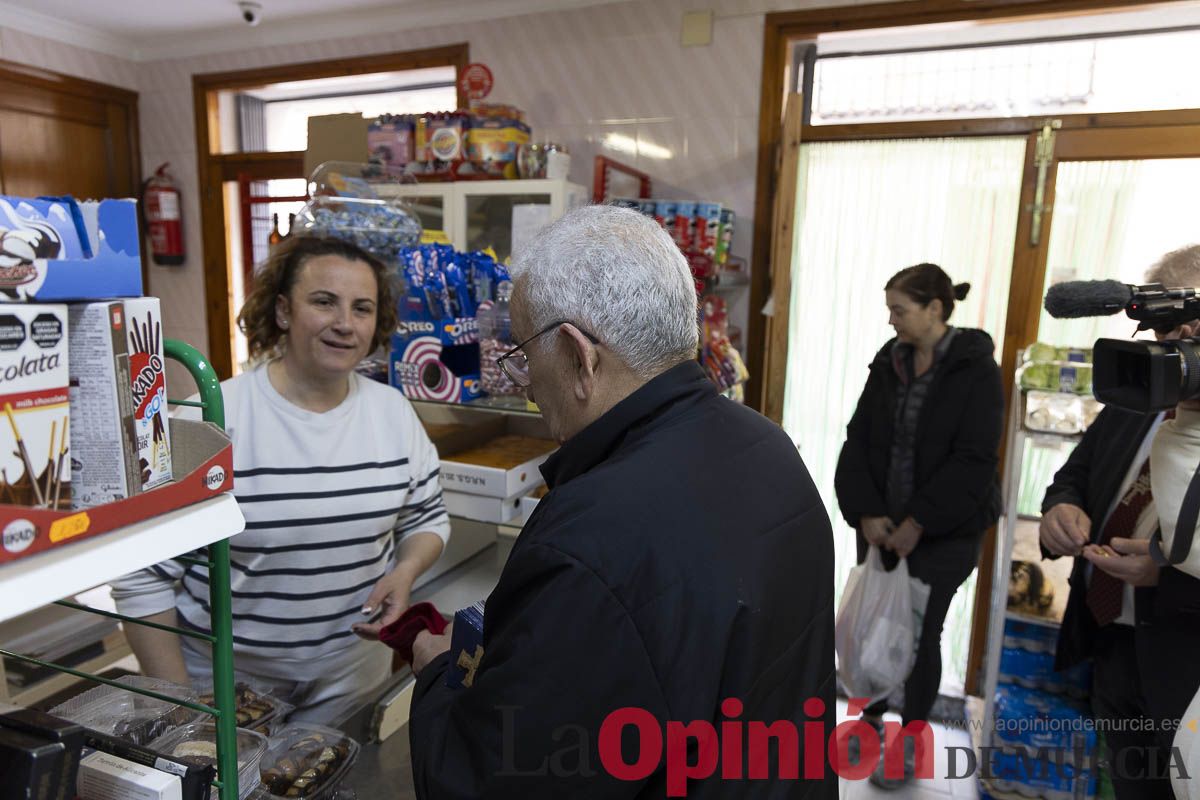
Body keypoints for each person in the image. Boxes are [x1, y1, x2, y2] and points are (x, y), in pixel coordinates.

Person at [406, 205, 838, 798]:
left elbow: (489, 780)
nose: (527, 383)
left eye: (526, 356)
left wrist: (437, 679)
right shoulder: (766, 444)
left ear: (579, 356)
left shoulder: (590, 539)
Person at [111, 235, 450, 724]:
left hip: (352, 678)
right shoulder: (213, 418)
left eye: (362, 308)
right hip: (224, 686)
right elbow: (143, 576)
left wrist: (405, 570)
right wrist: (177, 706)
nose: (344, 324)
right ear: (285, 311)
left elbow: (428, 519)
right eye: (324, 302)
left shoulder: (394, 414)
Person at [834, 262, 1003, 788]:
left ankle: (908, 742)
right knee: (873, 625)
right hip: (882, 524)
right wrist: (866, 513)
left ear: (935, 309)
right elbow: (858, 437)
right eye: (889, 310)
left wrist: (920, 522)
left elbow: (974, 460)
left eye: (899, 310)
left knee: (921, 634)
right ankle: (868, 721)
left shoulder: (975, 370)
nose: (891, 321)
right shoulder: (891, 361)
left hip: (946, 531)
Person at [1048, 244, 1200, 796]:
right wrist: (1059, 509)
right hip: (1113, 642)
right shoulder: (1138, 392)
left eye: (1190, 333)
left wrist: (1168, 567)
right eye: (1165, 334)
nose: (1176, 353)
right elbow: (1075, 474)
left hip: (1186, 666)